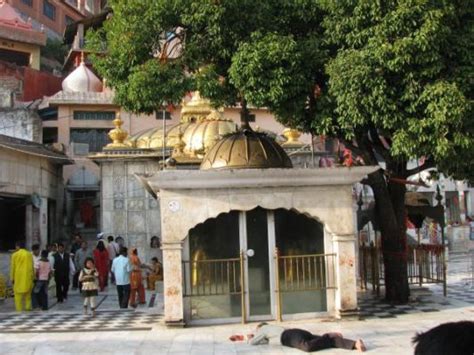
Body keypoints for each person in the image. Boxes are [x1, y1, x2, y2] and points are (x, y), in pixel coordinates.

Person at [246, 323, 366, 352]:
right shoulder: (272, 330)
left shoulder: (263, 329)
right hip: (296, 332)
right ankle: (355, 344)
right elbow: (270, 340)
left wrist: (252, 336)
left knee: (307, 347)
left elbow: (252, 343)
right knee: (326, 343)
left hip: (289, 337)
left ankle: (327, 335)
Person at [10, 241, 34, 312]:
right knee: (28, 295)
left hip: (18, 277)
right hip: (27, 277)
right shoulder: (29, 254)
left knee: (17, 295)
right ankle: (28, 308)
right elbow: (31, 267)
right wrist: (33, 277)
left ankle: (19, 309)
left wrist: (12, 278)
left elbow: (13, 267)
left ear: (18, 246)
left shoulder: (14, 255)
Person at [31, 244, 41, 310]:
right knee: (33, 291)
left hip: (40, 276)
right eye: (35, 251)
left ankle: (40, 304)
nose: (37, 252)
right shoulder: (29, 256)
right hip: (32, 276)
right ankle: (35, 305)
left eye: (37, 250)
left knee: (40, 291)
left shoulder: (41, 256)